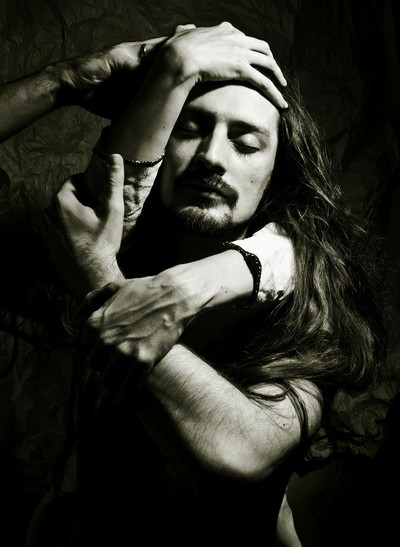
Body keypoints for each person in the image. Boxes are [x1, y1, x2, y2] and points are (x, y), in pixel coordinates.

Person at [33, 21, 385, 547]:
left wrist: (97, 276)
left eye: (245, 142)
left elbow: (235, 463)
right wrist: (67, 79)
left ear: (276, 172)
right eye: (189, 129)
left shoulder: (306, 305)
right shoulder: (111, 249)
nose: (212, 158)